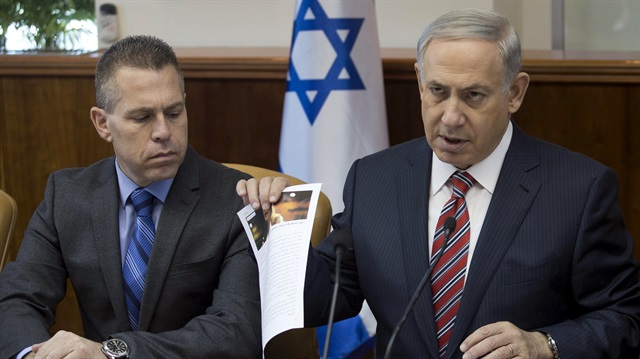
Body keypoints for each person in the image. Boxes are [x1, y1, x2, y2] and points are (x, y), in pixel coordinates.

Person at [237, 8, 640, 359]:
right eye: (437, 91)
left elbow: (626, 317)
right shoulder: (374, 178)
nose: (450, 116)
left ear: (515, 93)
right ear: (419, 82)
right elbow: (324, 297)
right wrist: (273, 227)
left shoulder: (579, 189)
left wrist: (545, 345)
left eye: (474, 96)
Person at [0, 35, 261, 359]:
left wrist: (113, 352)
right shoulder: (66, 196)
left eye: (174, 112)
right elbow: (17, 300)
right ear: (102, 123)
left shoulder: (237, 199)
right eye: (143, 117)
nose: (163, 131)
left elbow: (236, 333)